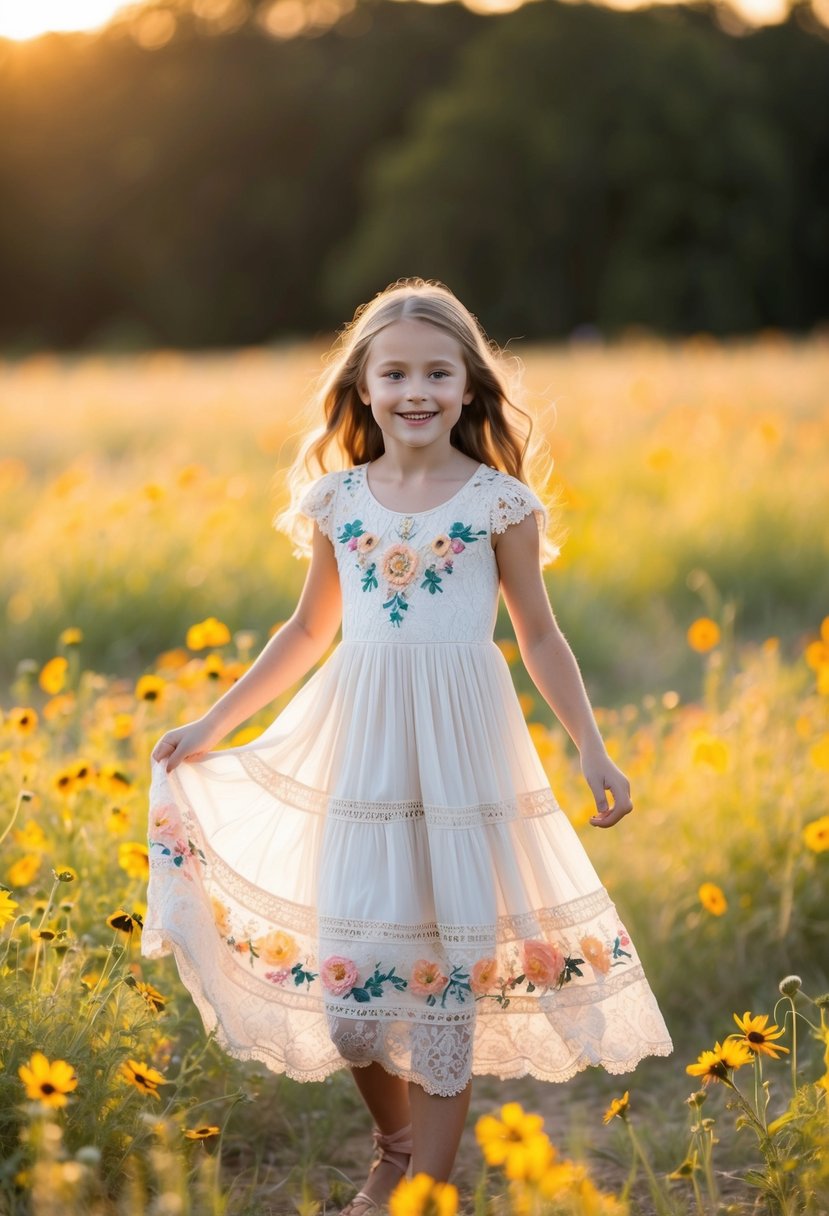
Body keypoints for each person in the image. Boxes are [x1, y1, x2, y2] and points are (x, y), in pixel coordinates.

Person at [143, 277, 673, 1215]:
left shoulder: (498, 503)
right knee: (350, 1005)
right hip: (363, 748)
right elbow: (308, 632)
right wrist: (214, 724)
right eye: (395, 372)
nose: (416, 389)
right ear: (363, 387)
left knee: (442, 976)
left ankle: (427, 1183)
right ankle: (393, 1140)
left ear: (470, 388)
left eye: (438, 371)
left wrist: (591, 747)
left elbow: (539, 636)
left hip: (464, 752)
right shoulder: (339, 499)